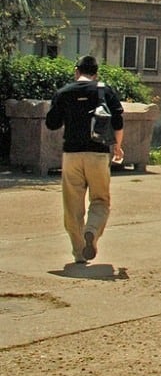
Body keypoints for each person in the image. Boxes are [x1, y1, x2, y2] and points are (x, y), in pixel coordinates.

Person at [45, 55, 125, 264]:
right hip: (98, 154)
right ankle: (92, 231)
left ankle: (79, 251)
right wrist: (117, 146)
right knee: (100, 200)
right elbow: (117, 121)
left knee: (72, 205)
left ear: (76, 71)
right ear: (96, 73)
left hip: (71, 154)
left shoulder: (63, 93)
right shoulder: (104, 91)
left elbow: (52, 124)